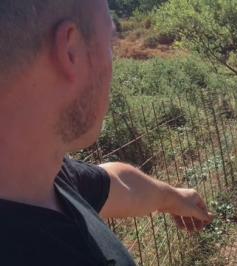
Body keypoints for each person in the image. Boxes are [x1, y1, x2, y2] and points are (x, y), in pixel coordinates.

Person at [0, 0, 213, 265]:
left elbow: (116, 182)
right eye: (109, 43)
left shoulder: (44, 177)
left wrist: (173, 198)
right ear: (70, 52)